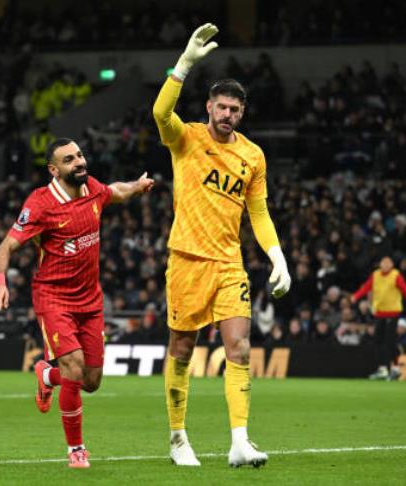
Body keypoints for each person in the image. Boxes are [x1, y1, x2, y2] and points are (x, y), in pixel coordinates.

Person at [153, 23, 291, 468]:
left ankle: (239, 441)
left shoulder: (253, 156)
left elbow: (259, 213)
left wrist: (277, 255)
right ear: (209, 107)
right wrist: (184, 65)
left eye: (235, 108)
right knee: (181, 349)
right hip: (187, 260)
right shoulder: (186, 138)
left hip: (229, 265)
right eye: (221, 106)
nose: (227, 114)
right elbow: (159, 114)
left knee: (239, 348)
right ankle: (177, 437)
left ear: (242, 112)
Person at [0, 138, 153, 468]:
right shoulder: (40, 204)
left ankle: (46, 376)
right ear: (54, 169)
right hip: (54, 299)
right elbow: (6, 247)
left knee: (91, 382)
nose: (79, 162)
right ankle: (76, 449)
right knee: (75, 368)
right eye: (69, 159)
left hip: (91, 301)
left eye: (79, 155)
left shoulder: (91, 188)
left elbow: (116, 192)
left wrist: (137, 186)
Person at [351, 256, 406, 380]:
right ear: (380, 264)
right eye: (384, 262)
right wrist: (356, 296)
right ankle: (383, 368)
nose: (386, 265)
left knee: (389, 341)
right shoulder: (375, 275)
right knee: (378, 340)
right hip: (380, 313)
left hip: (392, 313)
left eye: (388, 263)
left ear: (392, 264)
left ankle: (395, 368)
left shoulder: (396, 275)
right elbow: (367, 287)